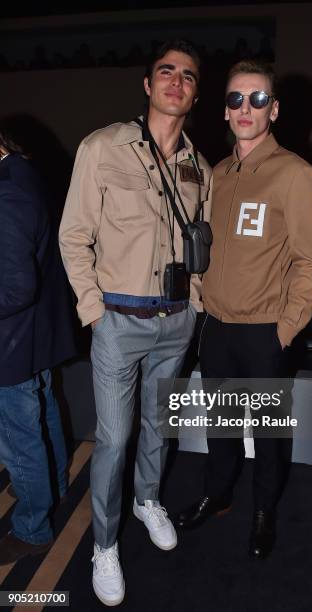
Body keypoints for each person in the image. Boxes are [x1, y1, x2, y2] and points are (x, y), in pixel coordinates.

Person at [59, 40, 211, 606]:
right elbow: (74, 235)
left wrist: (194, 304)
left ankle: (148, 500)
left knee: (158, 427)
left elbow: (202, 246)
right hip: (118, 321)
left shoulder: (198, 165)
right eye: (166, 72)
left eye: (188, 75)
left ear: (195, 93)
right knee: (115, 438)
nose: (176, 81)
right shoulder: (102, 148)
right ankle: (104, 543)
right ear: (148, 85)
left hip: (176, 322)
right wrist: (94, 311)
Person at [176, 59, 312, 559]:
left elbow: (310, 263)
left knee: (267, 437)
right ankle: (216, 495)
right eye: (237, 98)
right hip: (216, 329)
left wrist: (282, 331)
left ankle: (264, 511)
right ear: (224, 109)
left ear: (274, 109)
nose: (246, 108)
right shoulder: (217, 174)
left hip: (264, 333)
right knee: (218, 427)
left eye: (258, 98)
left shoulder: (296, 174)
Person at [0, 126, 77, 565]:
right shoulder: (24, 174)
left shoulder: (8, 194)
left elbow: (13, 289)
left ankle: (33, 529)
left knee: (19, 438)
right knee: (43, 410)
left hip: (10, 343)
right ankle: (53, 483)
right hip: (33, 335)